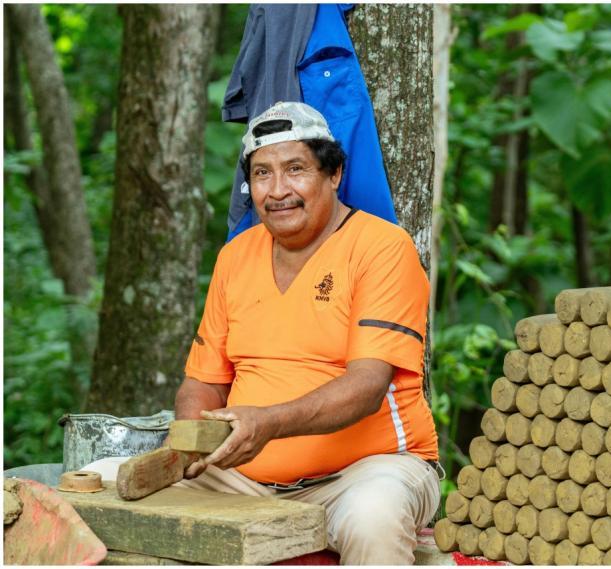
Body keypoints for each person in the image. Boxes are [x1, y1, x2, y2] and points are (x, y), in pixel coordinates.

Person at [86, 101, 441, 565]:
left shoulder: (381, 247)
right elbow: (205, 382)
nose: (278, 191)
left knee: (372, 517)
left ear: (333, 174)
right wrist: (193, 443)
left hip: (367, 472)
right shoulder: (236, 257)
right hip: (241, 474)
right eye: (261, 174)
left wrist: (268, 423)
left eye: (296, 169)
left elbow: (367, 387)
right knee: (97, 481)